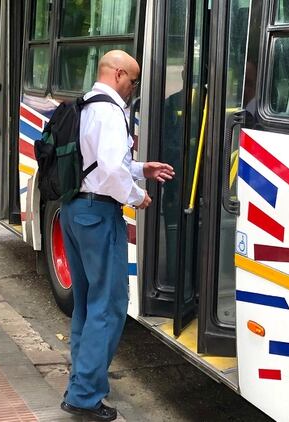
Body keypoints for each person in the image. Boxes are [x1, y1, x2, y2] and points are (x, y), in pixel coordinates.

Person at [59, 50, 175, 422]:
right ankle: (85, 396)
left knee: (87, 304)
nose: (133, 89)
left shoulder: (85, 104)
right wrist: (137, 196)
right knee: (108, 307)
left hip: (74, 210)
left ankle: (79, 385)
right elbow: (109, 170)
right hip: (98, 215)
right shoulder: (111, 111)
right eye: (134, 82)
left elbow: (97, 162)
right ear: (120, 74)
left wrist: (141, 169)